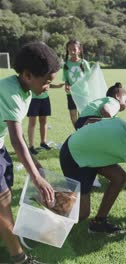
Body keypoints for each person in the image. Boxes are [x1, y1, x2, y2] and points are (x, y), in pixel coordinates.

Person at [0, 42, 59, 264]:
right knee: (3, 201)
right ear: (27, 75)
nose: (48, 86)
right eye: (46, 82)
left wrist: (36, 165)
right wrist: (36, 178)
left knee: (4, 198)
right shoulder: (12, 94)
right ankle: (20, 259)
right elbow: (17, 140)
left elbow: (18, 136)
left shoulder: (22, 90)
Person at [26, 83, 64, 155]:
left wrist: (57, 86)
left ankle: (43, 143)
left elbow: (47, 83)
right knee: (32, 123)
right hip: (33, 99)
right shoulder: (32, 72)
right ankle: (31, 146)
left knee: (44, 121)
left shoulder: (45, 73)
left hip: (45, 99)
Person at [62, 39, 90, 128]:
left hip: (83, 94)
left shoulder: (84, 63)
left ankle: (83, 133)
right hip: (71, 93)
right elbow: (66, 79)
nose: (72, 51)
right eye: (70, 49)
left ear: (79, 50)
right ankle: (78, 132)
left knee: (83, 115)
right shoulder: (66, 64)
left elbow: (90, 77)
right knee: (73, 116)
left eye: (74, 49)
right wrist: (66, 84)